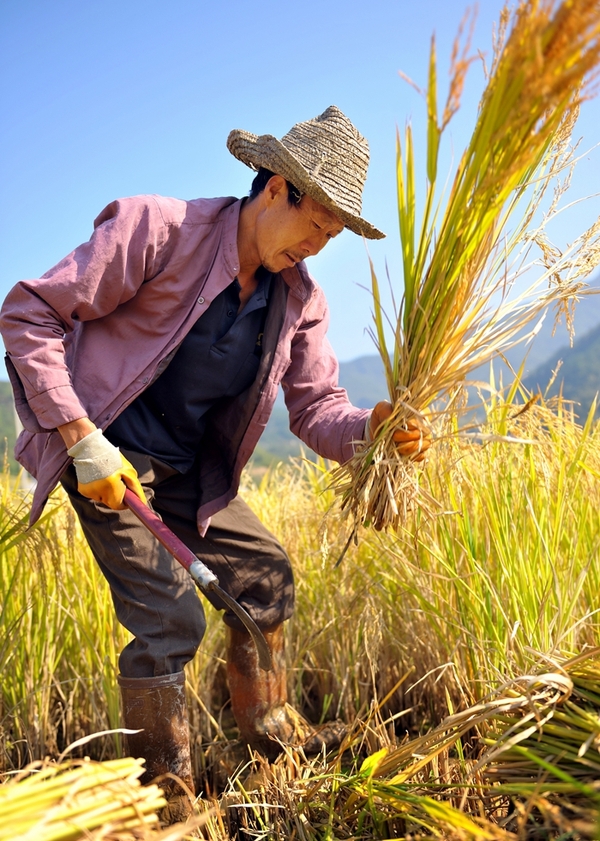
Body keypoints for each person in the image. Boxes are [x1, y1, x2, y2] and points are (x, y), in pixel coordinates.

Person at [0, 105, 430, 821]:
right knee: (171, 618)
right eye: (316, 224)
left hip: (191, 475)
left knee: (263, 577)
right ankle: (165, 796)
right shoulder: (158, 229)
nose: (319, 246)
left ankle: (272, 749)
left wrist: (376, 430)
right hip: (110, 461)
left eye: (333, 236)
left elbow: (318, 407)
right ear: (274, 189)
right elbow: (27, 314)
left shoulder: (298, 300)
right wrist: (81, 440)